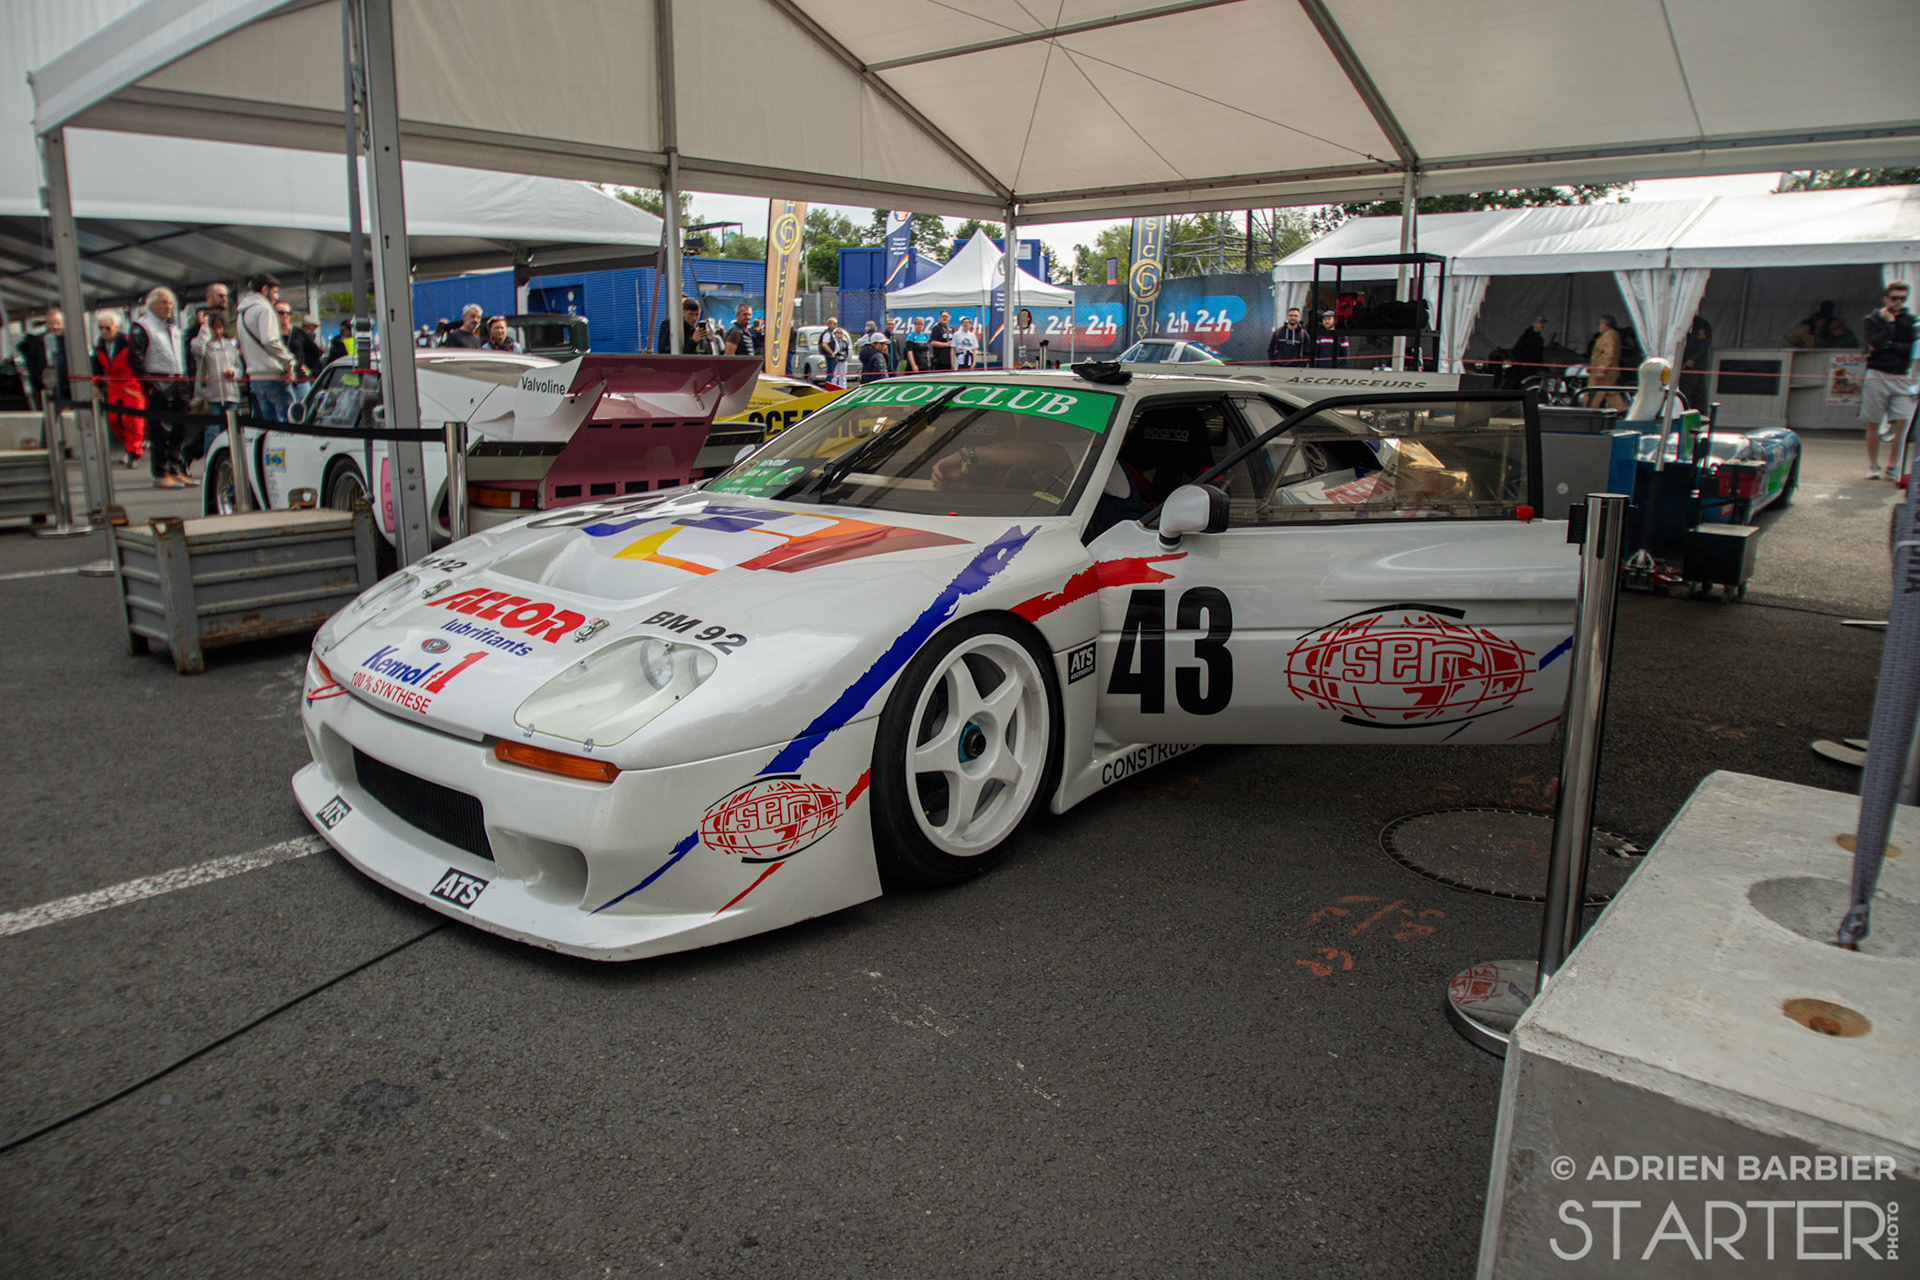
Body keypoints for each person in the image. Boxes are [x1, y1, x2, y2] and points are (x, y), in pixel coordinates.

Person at [127, 287, 190, 487]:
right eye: (164, 302)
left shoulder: (172, 327)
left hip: (178, 379)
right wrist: (148, 383)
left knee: (178, 428)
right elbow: (134, 357)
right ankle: (161, 473)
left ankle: (175, 469)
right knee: (160, 430)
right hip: (158, 379)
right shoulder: (143, 326)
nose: (168, 306)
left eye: (170, 302)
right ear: (151, 304)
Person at [1862, 281, 1916, 480]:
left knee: (1903, 422)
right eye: (1895, 298)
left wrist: (1890, 344)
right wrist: (1890, 324)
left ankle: (1893, 465)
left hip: (1901, 374)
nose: (1899, 302)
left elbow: (1911, 349)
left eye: (1903, 298)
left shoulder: (1911, 320)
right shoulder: (1873, 319)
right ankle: (1873, 465)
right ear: (1886, 298)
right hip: (1877, 372)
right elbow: (1875, 343)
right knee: (1873, 422)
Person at [236, 273, 296, 423]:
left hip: (255, 378)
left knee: (269, 426)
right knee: (289, 423)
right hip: (273, 376)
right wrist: (288, 361)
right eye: (275, 292)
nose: (276, 296)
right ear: (264, 290)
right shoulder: (264, 309)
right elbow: (270, 341)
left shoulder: (242, 314)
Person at [92, 311, 143, 467]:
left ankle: (134, 452)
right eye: (101, 328)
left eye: (107, 328)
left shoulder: (128, 342)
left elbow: (139, 361)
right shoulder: (99, 345)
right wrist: (96, 384)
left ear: (115, 327)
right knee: (114, 421)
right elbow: (97, 367)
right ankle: (131, 446)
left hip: (131, 384)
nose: (104, 331)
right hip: (113, 386)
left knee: (132, 420)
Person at [192, 311, 243, 461]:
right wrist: (204, 329)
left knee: (231, 431)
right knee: (212, 432)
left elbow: (238, 367)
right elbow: (197, 350)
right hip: (211, 396)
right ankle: (211, 461)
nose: (218, 331)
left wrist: (233, 373)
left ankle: (232, 460)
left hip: (230, 394)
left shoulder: (230, 345)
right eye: (214, 327)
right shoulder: (203, 344)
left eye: (220, 327)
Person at [18, 308, 68, 412]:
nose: (55, 327)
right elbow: (32, 363)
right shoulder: (38, 341)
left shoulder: (70, 340)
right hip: (45, 389)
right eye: (51, 323)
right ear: (47, 324)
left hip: (68, 388)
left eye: (58, 323)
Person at [182, 282, 230, 385]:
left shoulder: (219, 318)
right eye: (220, 296)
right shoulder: (204, 319)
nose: (224, 299)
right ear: (209, 297)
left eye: (226, 296)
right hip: (207, 379)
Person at [1585, 314, 1626, 412]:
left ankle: (1588, 412)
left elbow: (1608, 354)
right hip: (1610, 371)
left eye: (1600, 324)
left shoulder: (1608, 336)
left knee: (1594, 393)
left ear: (1604, 324)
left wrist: (1602, 369)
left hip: (1605, 372)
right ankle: (1621, 410)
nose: (1599, 326)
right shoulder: (1613, 334)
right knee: (1610, 392)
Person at [1785, 300, 1857, 350]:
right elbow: (1788, 335)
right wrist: (1801, 344)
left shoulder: (1832, 325)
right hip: (1810, 353)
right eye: (1819, 323)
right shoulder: (1806, 328)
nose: (1821, 325)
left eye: (1823, 323)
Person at [285, 306, 321, 402]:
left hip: (301, 376)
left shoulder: (299, 334)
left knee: (306, 403)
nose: (315, 329)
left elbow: (315, 351)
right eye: (314, 327)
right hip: (288, 377)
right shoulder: (301, 334)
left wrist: (308, 367)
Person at [1511, 315, 1547, 385]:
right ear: (1534, 324)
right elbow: (1516, 350)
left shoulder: (1539, 339)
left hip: (1536, 367)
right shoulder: (1526, 337)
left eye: (1543, 323)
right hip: (1527, 369)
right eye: (1540, 323)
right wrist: (1523, 362)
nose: (1542, 325)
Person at [818, 317, 850, 385]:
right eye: (834, 324)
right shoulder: (827, 333)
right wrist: (831, 353)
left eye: (836, 324)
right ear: (829, 324)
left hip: (835, 356)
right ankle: (829, 386)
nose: (836, 325)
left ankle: (831, 385)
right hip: (830, 357)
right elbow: (824, 344)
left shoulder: (832, 333)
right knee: (831, 374)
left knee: (833, 374)